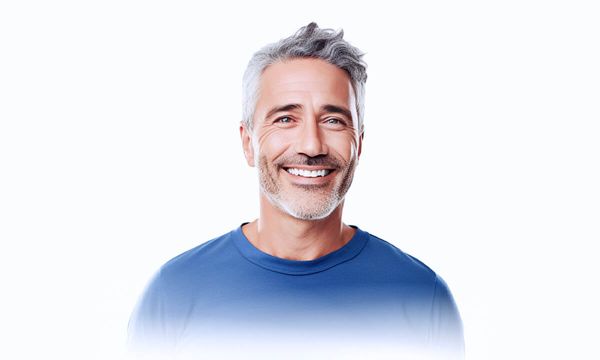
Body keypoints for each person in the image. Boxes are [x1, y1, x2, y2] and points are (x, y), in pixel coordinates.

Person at [127, 22, 464, 360]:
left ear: (359, 144)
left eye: (333, 120)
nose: (311, 145)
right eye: (286, 119)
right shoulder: (173, 294)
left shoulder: (423, 297)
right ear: (248, 143)